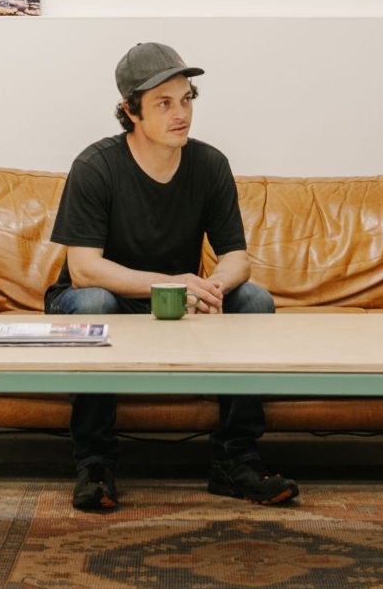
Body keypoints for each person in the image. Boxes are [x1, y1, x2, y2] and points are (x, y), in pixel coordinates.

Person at [47, 42, 299, 512]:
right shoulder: (96, 166)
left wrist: (211, 286)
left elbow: (237, 258)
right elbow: (83, 269)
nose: (180, 113)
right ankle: (95, 463)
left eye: (187, 99)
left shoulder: (209, 164)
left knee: (256, 301)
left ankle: (235, 459)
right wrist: (173, 284)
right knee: (93, 305)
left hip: (175, 303)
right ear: (130, 111)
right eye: (164, 102)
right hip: (99, 301)